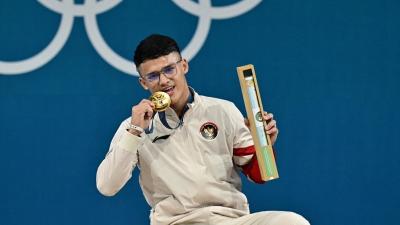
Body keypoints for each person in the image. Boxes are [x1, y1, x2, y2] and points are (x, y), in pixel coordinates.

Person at [96, 34, 310, 225]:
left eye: (169, 69)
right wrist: (135, 132)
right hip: (176, 222)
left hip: (231, 219)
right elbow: (107, 186)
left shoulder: (223, 110)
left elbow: (259, 175)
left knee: (292, 222)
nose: (163, 81)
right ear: (143, 83)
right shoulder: (134, 126)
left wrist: (265, 145)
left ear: (184, 66)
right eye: (153, 76)